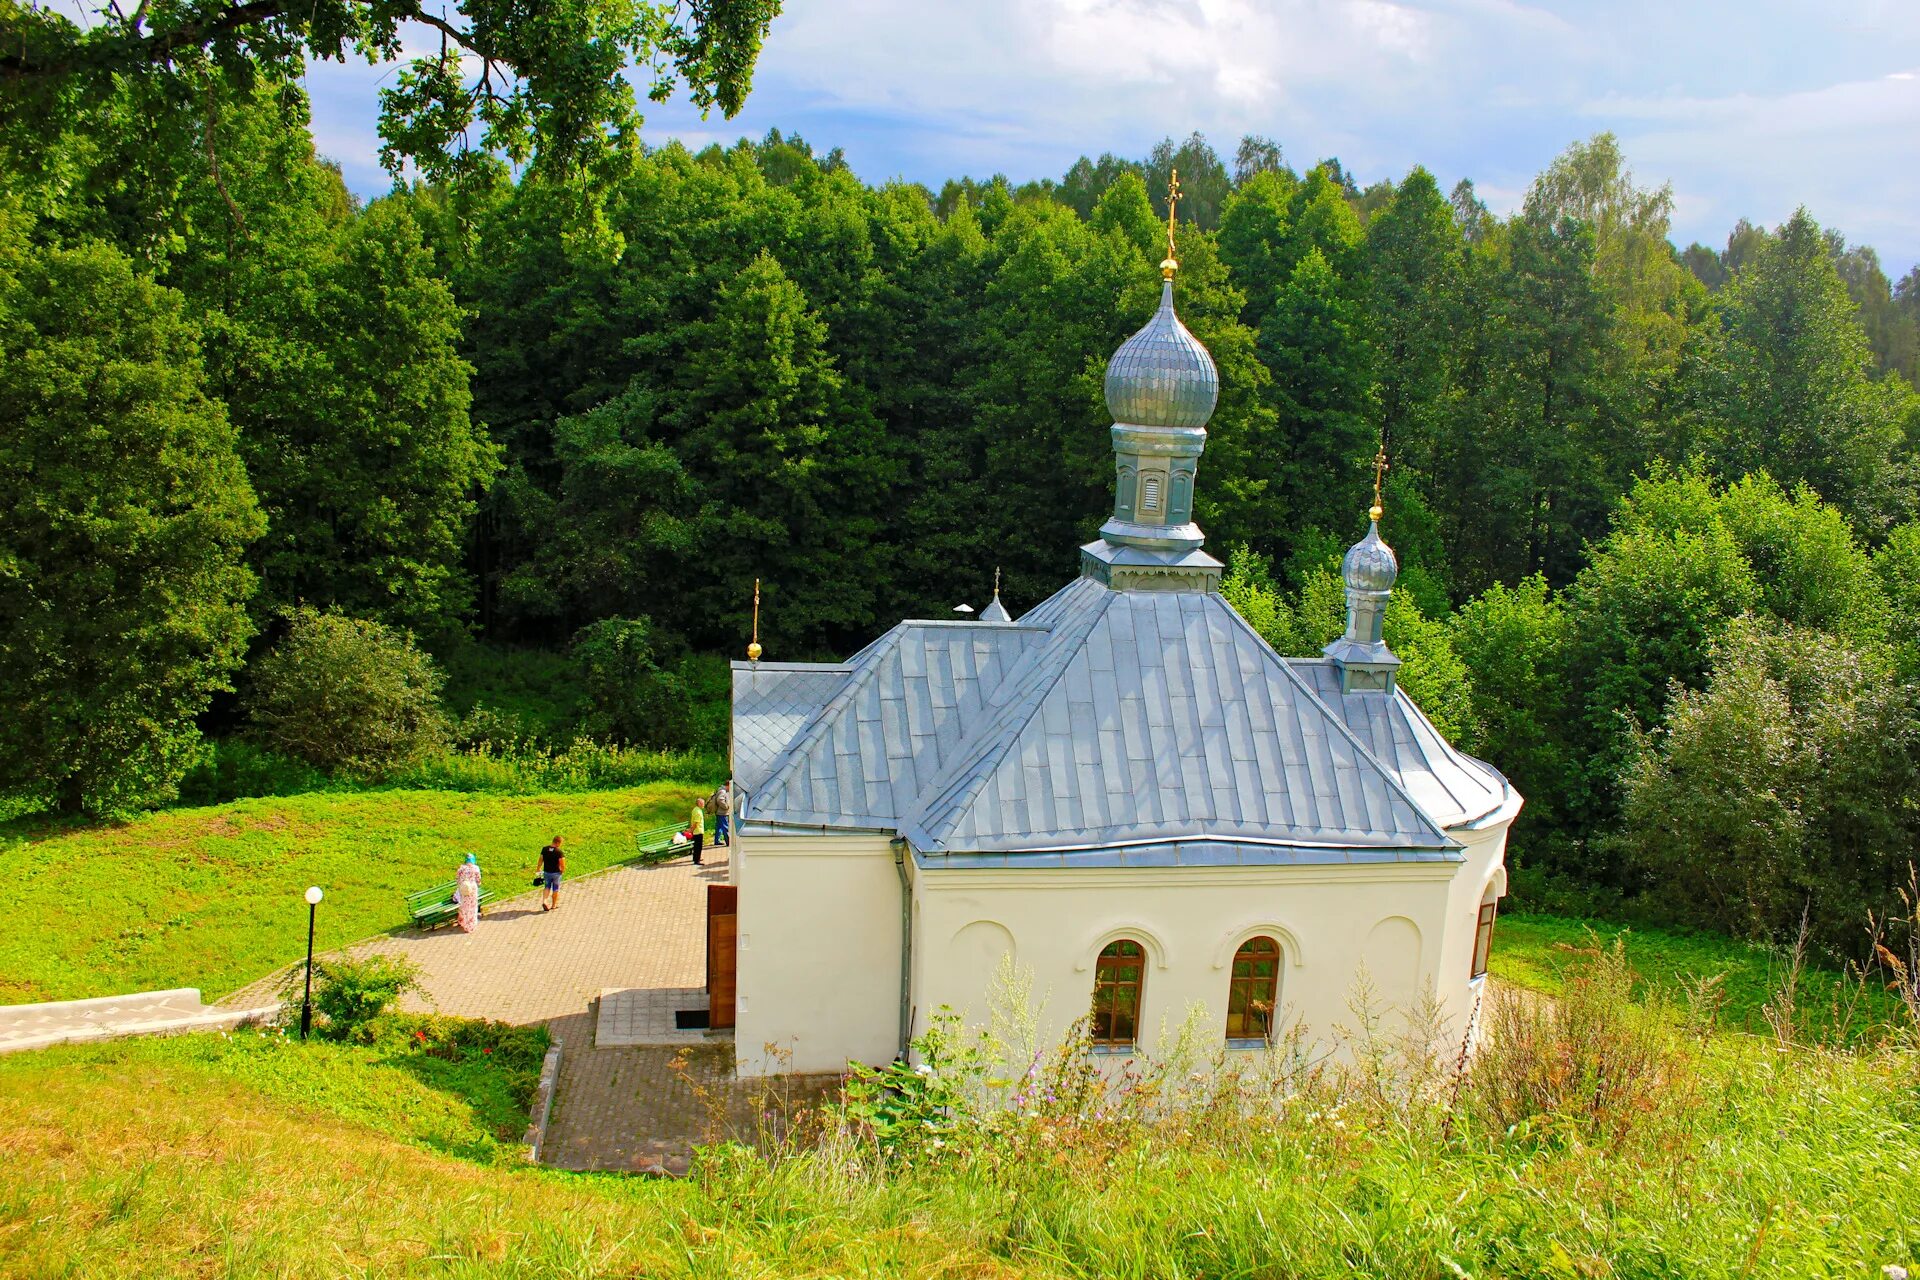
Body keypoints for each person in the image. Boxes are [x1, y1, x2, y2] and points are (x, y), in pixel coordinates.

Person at [454, 853, 483, 933]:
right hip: (472, 889)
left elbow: (457, 878)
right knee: (472, 907)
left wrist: (461, 884)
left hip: (464, 888)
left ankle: (463, 921)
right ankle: (471, 925)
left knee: (464, 906)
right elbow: (478, 880)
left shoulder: (461, 868)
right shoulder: (476, 868)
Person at [536, 835, 565, 911]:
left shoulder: (544, 849)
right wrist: (562, 871)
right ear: (558, 842)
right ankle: (554, 905)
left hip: (546, 872)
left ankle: (545, 901)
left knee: (547, 887)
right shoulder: (559, 852)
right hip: (556, 873)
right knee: (555, 889)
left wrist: (538, 868)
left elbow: (540, 859)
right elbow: (562, 864)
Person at [713, 781, 731, 848]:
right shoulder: (722, 791)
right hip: (722, 812)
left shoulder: (721, 790)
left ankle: (717, 841)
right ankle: (728, 841)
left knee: (719, 827)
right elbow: (720, 800)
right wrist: (726, 806)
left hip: (719, 812)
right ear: (728, 785)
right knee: (725, 827)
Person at [688, 797, 706, 866]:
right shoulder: (698, 812)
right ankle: (697, 860)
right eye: (702, 803)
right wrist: (691, 830)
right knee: (698, 846)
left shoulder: (695, 809)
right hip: (698, 831)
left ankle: (695, 858)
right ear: (699, 803)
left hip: (696, 831)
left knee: (696, 846)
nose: (703, 804)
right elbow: (696, 823)